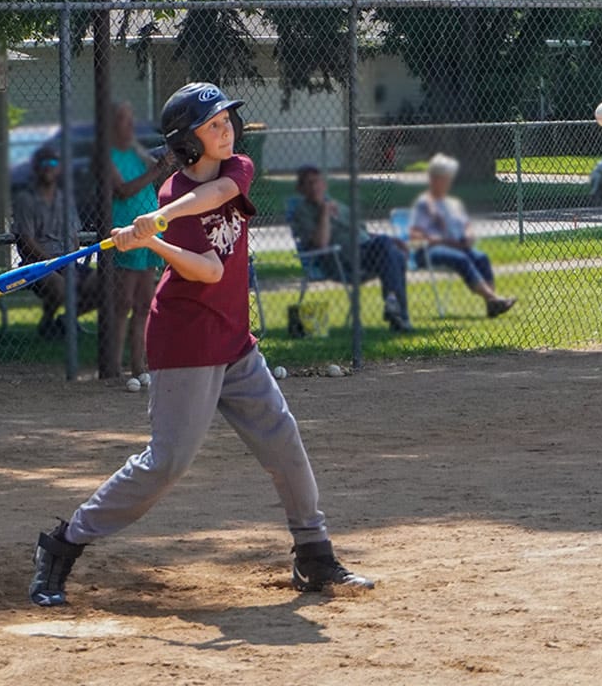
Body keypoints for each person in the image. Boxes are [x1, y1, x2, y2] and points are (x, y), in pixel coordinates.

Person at [29, 82, 373, 606]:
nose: (225, 129)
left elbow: (213, 197)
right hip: (186, 342)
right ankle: (62, 543)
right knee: (167, 463)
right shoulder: (169, 198)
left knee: (282, 437)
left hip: (232, 339)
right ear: (187, 142)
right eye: (212, 125)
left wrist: (158, 225)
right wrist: (155, 239)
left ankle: (313, 553)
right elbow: (207, 270)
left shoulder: (237, 170)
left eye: (226, 120)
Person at [290, 165, 412, 331]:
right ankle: (397, 311)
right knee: (392, 253)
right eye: (309, 183)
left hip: (366, 253)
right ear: (301, 189)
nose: (314, 187)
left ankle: (396, 311)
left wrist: (393, 240)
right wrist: (324, 213)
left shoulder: (340, 207)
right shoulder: (302, 211)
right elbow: (321, 243)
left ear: (324, 185)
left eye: (317, 182)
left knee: (394, 253)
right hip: (340, 260)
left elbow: (363, 234)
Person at [110, 101, 175, 389]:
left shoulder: (136, 149)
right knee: (124, 300)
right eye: (124, 121)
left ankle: (140, 365)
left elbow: (156, 174)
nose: (129, 126)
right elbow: (122, 190)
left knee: (145, 304)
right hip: (128, 231)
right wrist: (156, 169)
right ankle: (113, 366)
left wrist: (166, 162)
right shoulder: (107, 155)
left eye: (130, 120)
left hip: (151, 232)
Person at [411, 153, 516, 318]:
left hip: (459, 245)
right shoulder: (425, 203)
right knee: (461, 258)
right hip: (431, 249)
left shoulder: (453, 203)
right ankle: (493, 298)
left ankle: (492, 305)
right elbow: (415, 233)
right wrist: (439, 239)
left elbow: (466, 225)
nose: (445, 182)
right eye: (441, 178)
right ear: (433, 179)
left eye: (447, 178)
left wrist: (468, 235)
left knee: (481, 257)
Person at [12, 146, 100, 339]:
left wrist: (70, 264)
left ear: (59, 168)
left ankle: (66, 320)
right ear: (35, 167)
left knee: (105, 282)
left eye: (53, 163)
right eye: (43, 163)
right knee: (60, 286)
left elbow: (74, 237)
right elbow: (26, 242)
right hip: (38, 265)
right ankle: (48, 321)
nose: (48, 167)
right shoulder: (25, 199)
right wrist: (56, 264)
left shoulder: (65, 199)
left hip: (68, 262)